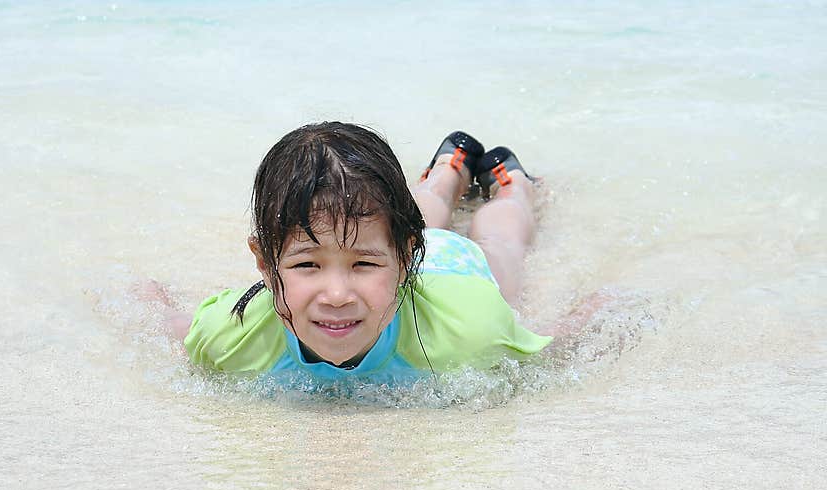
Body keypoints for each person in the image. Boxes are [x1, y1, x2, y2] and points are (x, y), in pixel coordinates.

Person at [150, 122, 595, 383]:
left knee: (500, 242)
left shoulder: (470, 330)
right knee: (379, 221)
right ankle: (446, 174)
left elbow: (551, 351)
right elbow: (177, 330)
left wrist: (603, 314)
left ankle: (515, 189)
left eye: (358, 266)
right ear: (265, 264)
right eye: (307, 265)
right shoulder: (232, 336)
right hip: (388, 259)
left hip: (454, 275)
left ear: (407, 258)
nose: (337, 295)